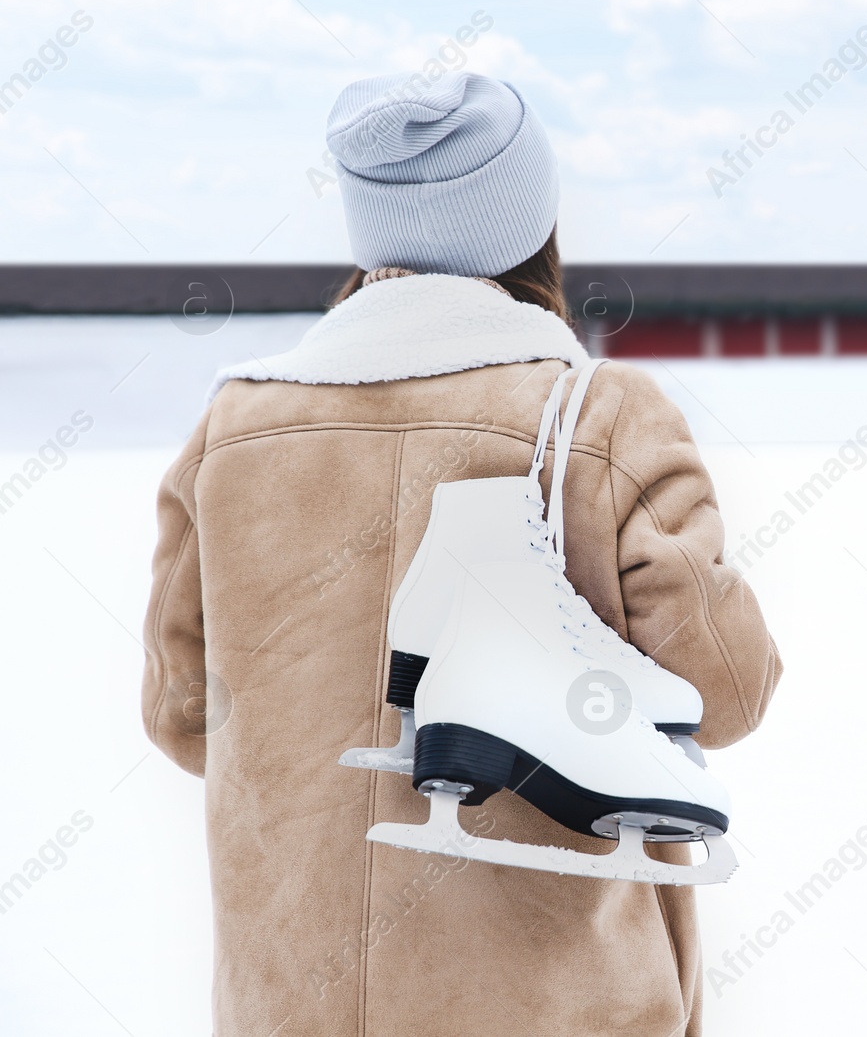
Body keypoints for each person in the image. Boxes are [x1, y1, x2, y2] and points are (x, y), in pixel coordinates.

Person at [140, 71, 781, 1037]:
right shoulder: (598, 421)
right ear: (530, 228)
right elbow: (724, 692)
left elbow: (184, 718)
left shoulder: (232, 432)